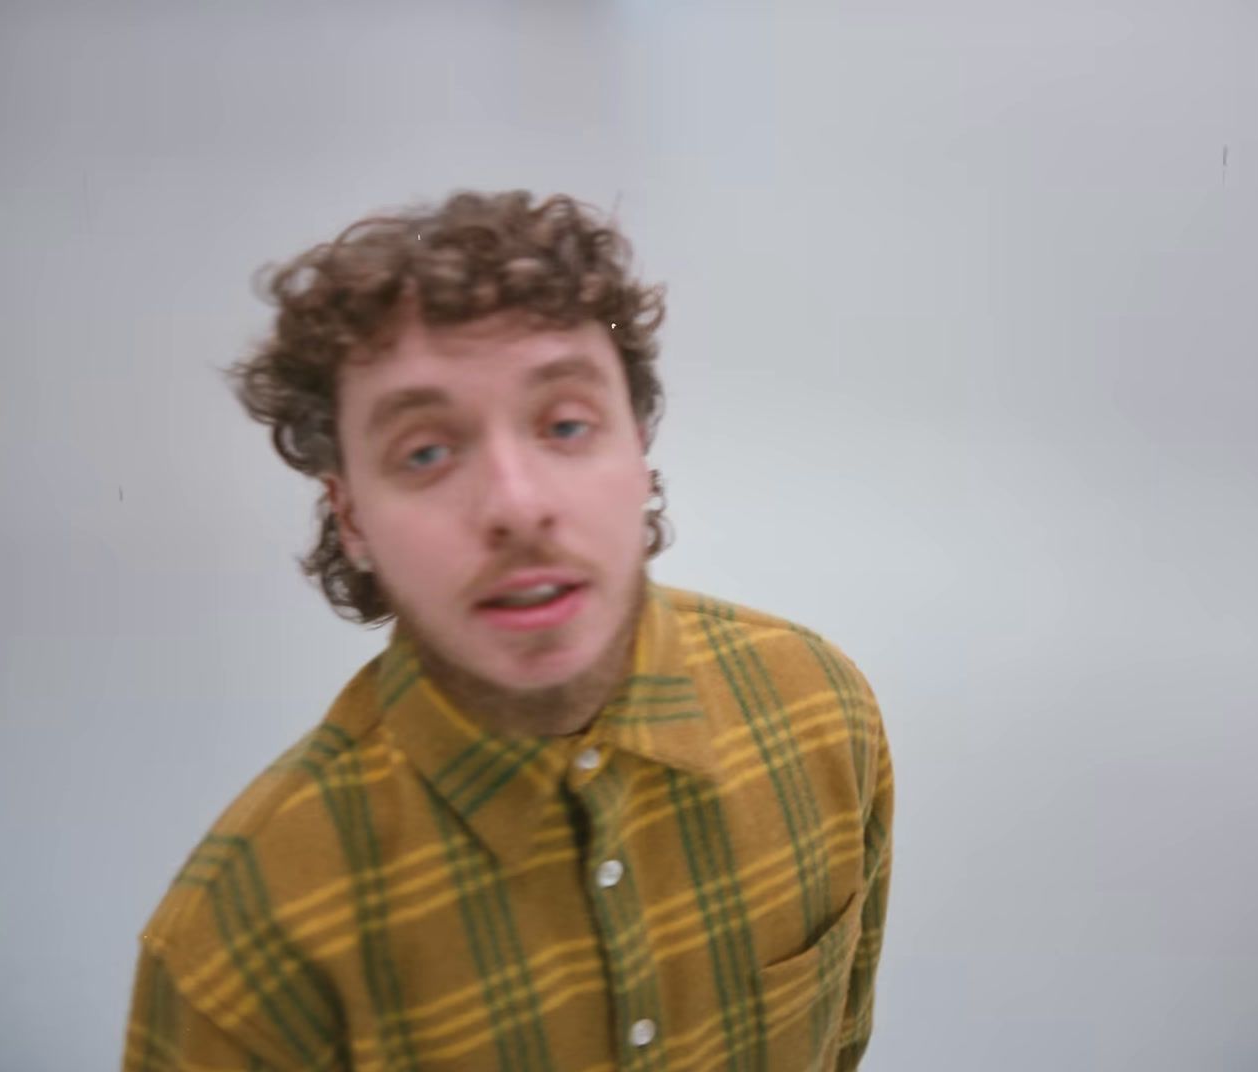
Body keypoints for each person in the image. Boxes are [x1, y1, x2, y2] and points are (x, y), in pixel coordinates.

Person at [121, 190, 894, 1071]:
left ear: (638, 455)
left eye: (565, 424)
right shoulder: (240, 944)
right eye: (426, 452)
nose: (517, 507)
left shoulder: (822, 711)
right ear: (352, 519)